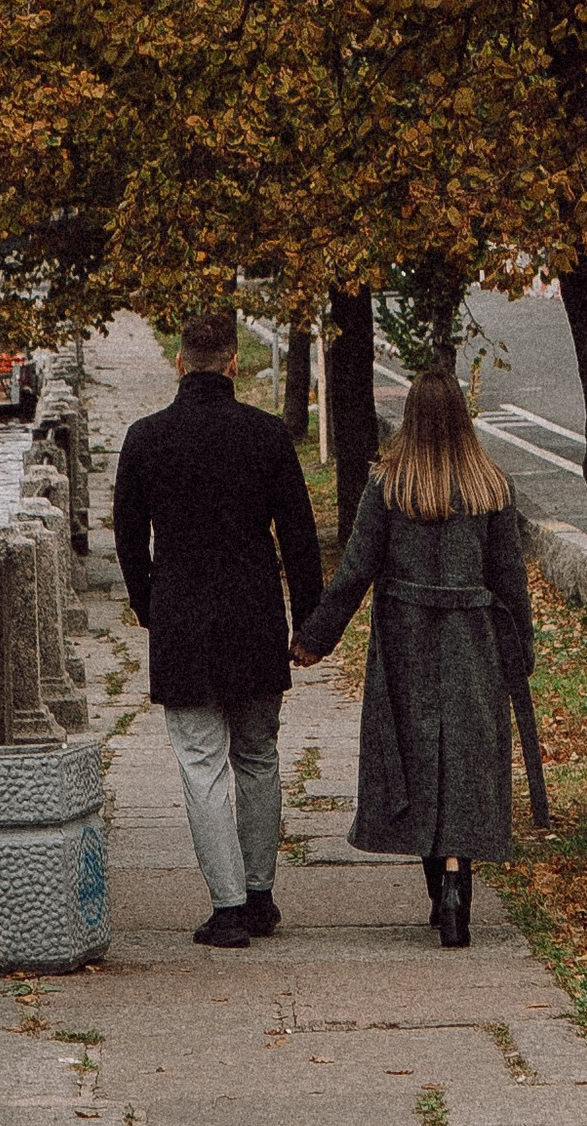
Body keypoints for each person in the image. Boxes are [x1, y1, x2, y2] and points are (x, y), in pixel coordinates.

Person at [289, 370, 543, 950]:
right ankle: (457, 880)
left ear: (410, 417)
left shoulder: (388, 486)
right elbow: (511, 582)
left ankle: (437, 887)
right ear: (462, 418)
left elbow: (356, 571)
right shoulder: (490, 488)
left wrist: (314, 637)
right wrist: (519, 654)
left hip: (405, 639)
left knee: (415, 755)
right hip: (471, 637)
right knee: (463, 757)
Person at [112, 309, 324, 948]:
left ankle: (228, 906)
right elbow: (299, 535)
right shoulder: (267, 436)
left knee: (201, 763)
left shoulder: (145, 439)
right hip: (255, 614)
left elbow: (129, 540)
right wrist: (309, 619)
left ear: (180, 363)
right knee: (258, 757)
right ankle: (260, 894)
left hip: (182, 619)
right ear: (234, 364)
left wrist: (150, 607)